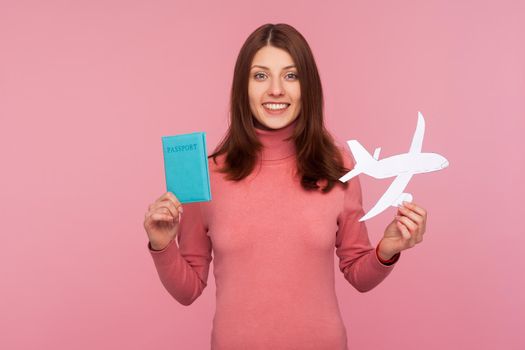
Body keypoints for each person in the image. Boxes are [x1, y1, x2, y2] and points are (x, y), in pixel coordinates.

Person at [143, 23, 428, 350]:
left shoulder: (340, 167)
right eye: (261, 76)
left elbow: (359, 275)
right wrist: (163, 246)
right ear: (243, 88)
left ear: (308, 87)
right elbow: (187, 290)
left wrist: (387, 249)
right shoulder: (206, 174)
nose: (276, 89)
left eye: (291, 76)